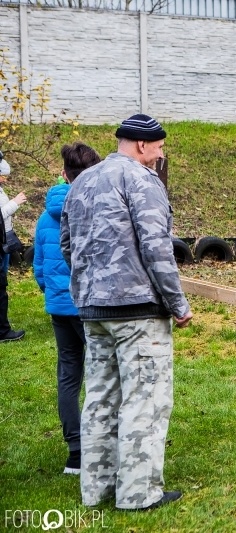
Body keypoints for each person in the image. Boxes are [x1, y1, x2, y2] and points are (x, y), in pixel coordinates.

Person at [60, 114, 193, 511]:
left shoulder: (80, 181)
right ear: (140, 145)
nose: (161, 153)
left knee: (99, 397)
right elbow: (157, 248)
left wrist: (91, 286)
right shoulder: (141, 181)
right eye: (159, 146)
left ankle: (95, 489)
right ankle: (138, 494)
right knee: (145, 400)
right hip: (138, 312)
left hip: (92, 309)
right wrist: (178, 304)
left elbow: (68, 245)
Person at [34, 142, 101, 475]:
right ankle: (99, 445)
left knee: (68, 377)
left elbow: (39, 268)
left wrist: (52, 294)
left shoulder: (45, 216)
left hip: (59, 307)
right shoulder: (95, 210)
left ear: (64, 174)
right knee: (101, 374)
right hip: (89, 306)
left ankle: (74, 452)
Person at [0, 150, 27, 343]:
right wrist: (15, 203)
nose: (5, 180)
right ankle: (3, 331)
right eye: (2, 176)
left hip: (4, 242)